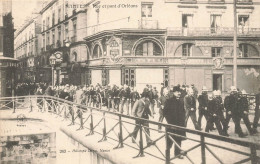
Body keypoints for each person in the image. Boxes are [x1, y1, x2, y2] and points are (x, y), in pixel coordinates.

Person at [164, 86, 186, 159]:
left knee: (178, 139)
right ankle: (167, 156)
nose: (179, 93)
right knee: (170, 140)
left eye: (180, 92)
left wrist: (183, 122)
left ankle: (177, 154)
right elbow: (165, 113)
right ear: (173, 92)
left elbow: (183, 112)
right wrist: (170, 122)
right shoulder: (169, 101)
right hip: (171, 125)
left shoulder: (181, 101)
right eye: (177, 92)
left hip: (179, 124)